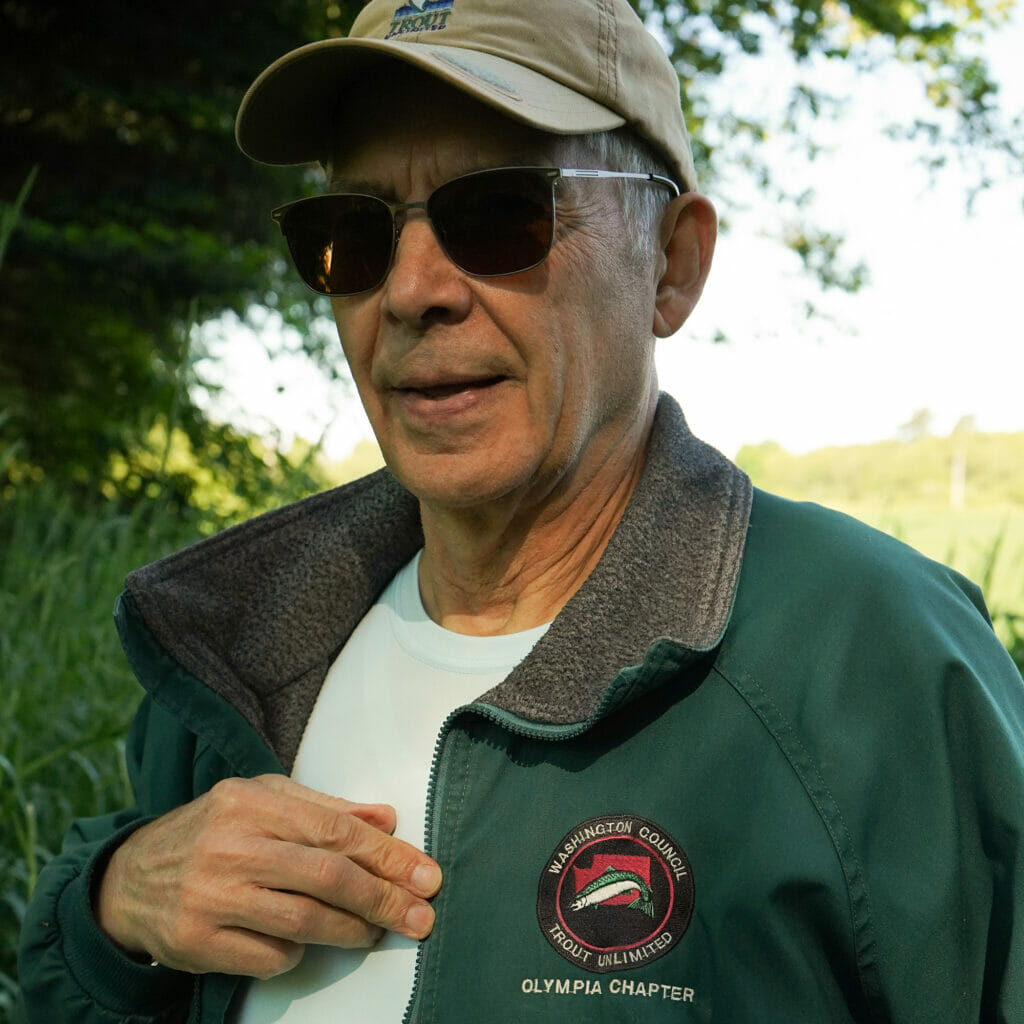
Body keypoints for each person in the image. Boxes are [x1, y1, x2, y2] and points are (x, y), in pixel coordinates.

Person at [16, 0, 1024, 1020]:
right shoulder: (238, 650)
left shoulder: (873, 660)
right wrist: (111, 918)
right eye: (351, 234)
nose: (409, 290)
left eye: (499, 213)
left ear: (671, 263)